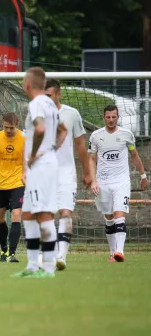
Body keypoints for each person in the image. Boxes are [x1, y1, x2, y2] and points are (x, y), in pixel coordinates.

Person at [13, 67, 67, 279]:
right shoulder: (50, 104)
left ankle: (48, 268)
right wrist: (53, 148)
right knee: (28, 213)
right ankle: (33, 266)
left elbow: (41, 129)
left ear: (27, 84)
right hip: (46, 163)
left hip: (41, 165)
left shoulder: (36, 103)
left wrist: (36, 154)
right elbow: (62, 130)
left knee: (43, 214)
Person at [89, 104, 148, 263]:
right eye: (108, 117)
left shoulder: (126, 135)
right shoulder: (95, 136)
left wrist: (143, 175)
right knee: (109, 218)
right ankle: (112, 252)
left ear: (117, 117)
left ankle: (119, 252)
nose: (111, 120)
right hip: (103, 182)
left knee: (119, 214)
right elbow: (91, 159)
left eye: (113, 117)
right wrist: (93, 180)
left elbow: (134, 155)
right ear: (104, 117)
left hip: (121, 180)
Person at [44, 78, 92, 270]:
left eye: (49, 95)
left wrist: (87, 172)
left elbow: (80, 144)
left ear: (58, 94)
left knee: (65, 212)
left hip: (66, 173)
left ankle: (61, 256)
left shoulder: (71, 114)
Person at [0, 112, 25, 262]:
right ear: (2, 124)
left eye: (11, 128)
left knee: (16, 215)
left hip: (17, 183)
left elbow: (28, 159)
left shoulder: (24, 138)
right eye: (6, 127)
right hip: (1, 184)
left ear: (17, 124)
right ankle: (4, 250)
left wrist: (26, 174)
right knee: (0, 219)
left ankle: (12, 253)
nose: (8, 130)